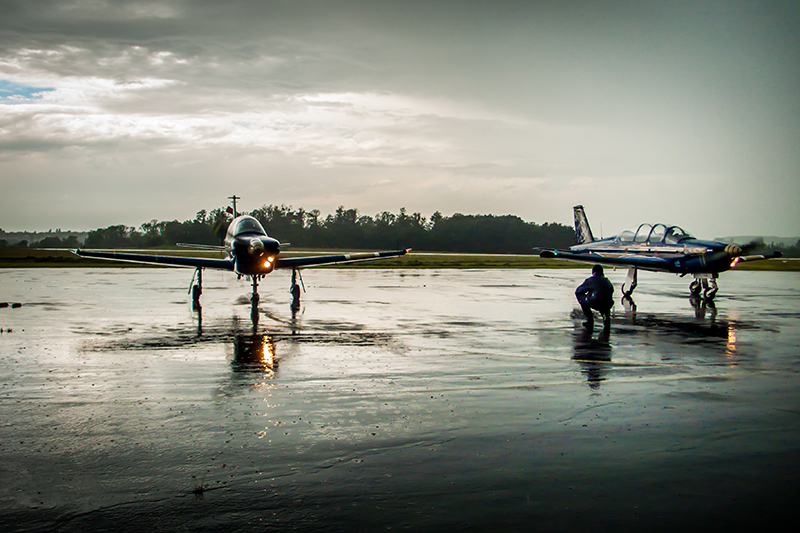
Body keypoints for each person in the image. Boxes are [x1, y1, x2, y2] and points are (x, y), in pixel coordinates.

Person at [575, 264, 614, 332]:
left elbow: (578, 291)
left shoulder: (591, 280)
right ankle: (606, 316)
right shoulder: (607, 281)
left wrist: (588, 293)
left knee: (580, 296)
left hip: (595, 301)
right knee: (604, 297)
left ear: (593, 272)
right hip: (607, 304)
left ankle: (589, 319)